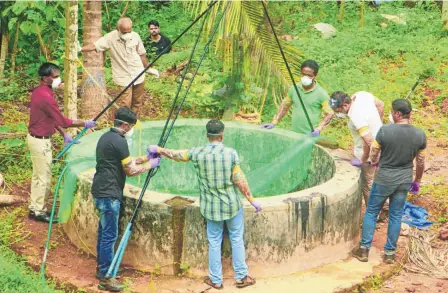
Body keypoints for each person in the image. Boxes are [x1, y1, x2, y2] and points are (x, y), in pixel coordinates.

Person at [148, 120, 260, 289]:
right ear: (222, 135)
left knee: (214, 242)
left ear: (207, 135)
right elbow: (239, 180)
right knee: (237, 239)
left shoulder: (198, 153)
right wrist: (252, 200)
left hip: (211, 208)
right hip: (232, 205)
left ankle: (216, 280)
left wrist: (159, 150)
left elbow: (177, 155)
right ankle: (241, 277)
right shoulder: (231, 154)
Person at [91, 106, 161, 292]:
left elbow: (124, 162)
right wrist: (150, 165)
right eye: (130, 127)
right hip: (109, 194)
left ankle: (102, 269)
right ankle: (106, 276)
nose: (130, 130)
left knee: (103, 231)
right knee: (110, 235)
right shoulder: (120, 141)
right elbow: (129, 171)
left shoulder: (106, 137)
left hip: (99, 189)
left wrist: (146, 158)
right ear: (123, 125)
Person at [351, 99, 426, 264]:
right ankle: (390, 253)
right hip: (404, 179)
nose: (391, 113)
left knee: (371, 211)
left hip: (384, 178)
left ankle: (364, 250)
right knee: (396, 215)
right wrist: (417, 180)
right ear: (410, 114)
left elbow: (375, 151)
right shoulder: (420, 134)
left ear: (397, 114)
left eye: (392, 111)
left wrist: (373, 162)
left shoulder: (384, 131)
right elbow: (420, 161)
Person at [28, 62, 96, 223]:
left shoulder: (41, 92)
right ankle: (38, 211)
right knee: (43, 177)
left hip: (37, 139)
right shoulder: (45, 97)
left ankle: (35, 207)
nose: (59, 80)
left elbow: (51, 118)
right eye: (56, 77)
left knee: (38, 176)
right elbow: (63, 120)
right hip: (40, 142)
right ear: (45, 78)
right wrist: (84, 123)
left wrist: (64, 134)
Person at [81, 17, 159, 116]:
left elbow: (141, 54)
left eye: (129, 31)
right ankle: (124, 123)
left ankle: (132, 121)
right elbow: (94, 46)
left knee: (137, 102)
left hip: (138, 73)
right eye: (124, 32)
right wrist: (80, 49)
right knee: (125, 104)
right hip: (123, 77)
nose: (127, 34)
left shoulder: (135, 36)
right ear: (118, 29)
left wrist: (149, 69)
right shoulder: (110, 38)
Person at [329, 91, 383, 205]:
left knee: (368, 183)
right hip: (381, 141)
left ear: (345, 105)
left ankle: (374, 213)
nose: (338, 115)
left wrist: (367, 160)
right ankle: (384, 206)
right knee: (380, 180)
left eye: (338, 111)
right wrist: (378, 126)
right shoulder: (361, 95)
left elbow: (369, 141)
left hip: (370, 153)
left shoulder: (355, 116)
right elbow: (380, 105)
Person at [260, 60, 333, 136]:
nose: (306, 77)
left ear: (315, 76)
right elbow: (285, 105)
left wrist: (319, 129)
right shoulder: (294, 89)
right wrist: (274, 122)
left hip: (310, 135)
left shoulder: (321, 93)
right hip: (294, 134)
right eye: (303, 74)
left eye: (309, 75)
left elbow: (330, 113)